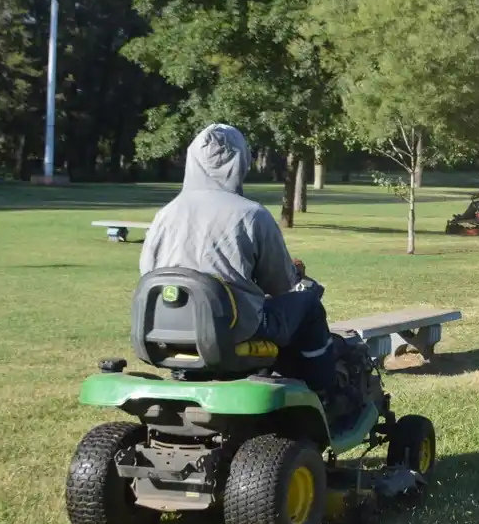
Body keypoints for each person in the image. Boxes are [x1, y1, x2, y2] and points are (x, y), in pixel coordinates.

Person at [140, 124, 335, 397]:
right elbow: (279, 285)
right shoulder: (252, 215)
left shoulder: (165, 214)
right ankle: (324, 391)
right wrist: (294, 273)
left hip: (166, 329)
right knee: (308, 303)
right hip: (235, 330)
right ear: (240, 161)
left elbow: (147, 273)